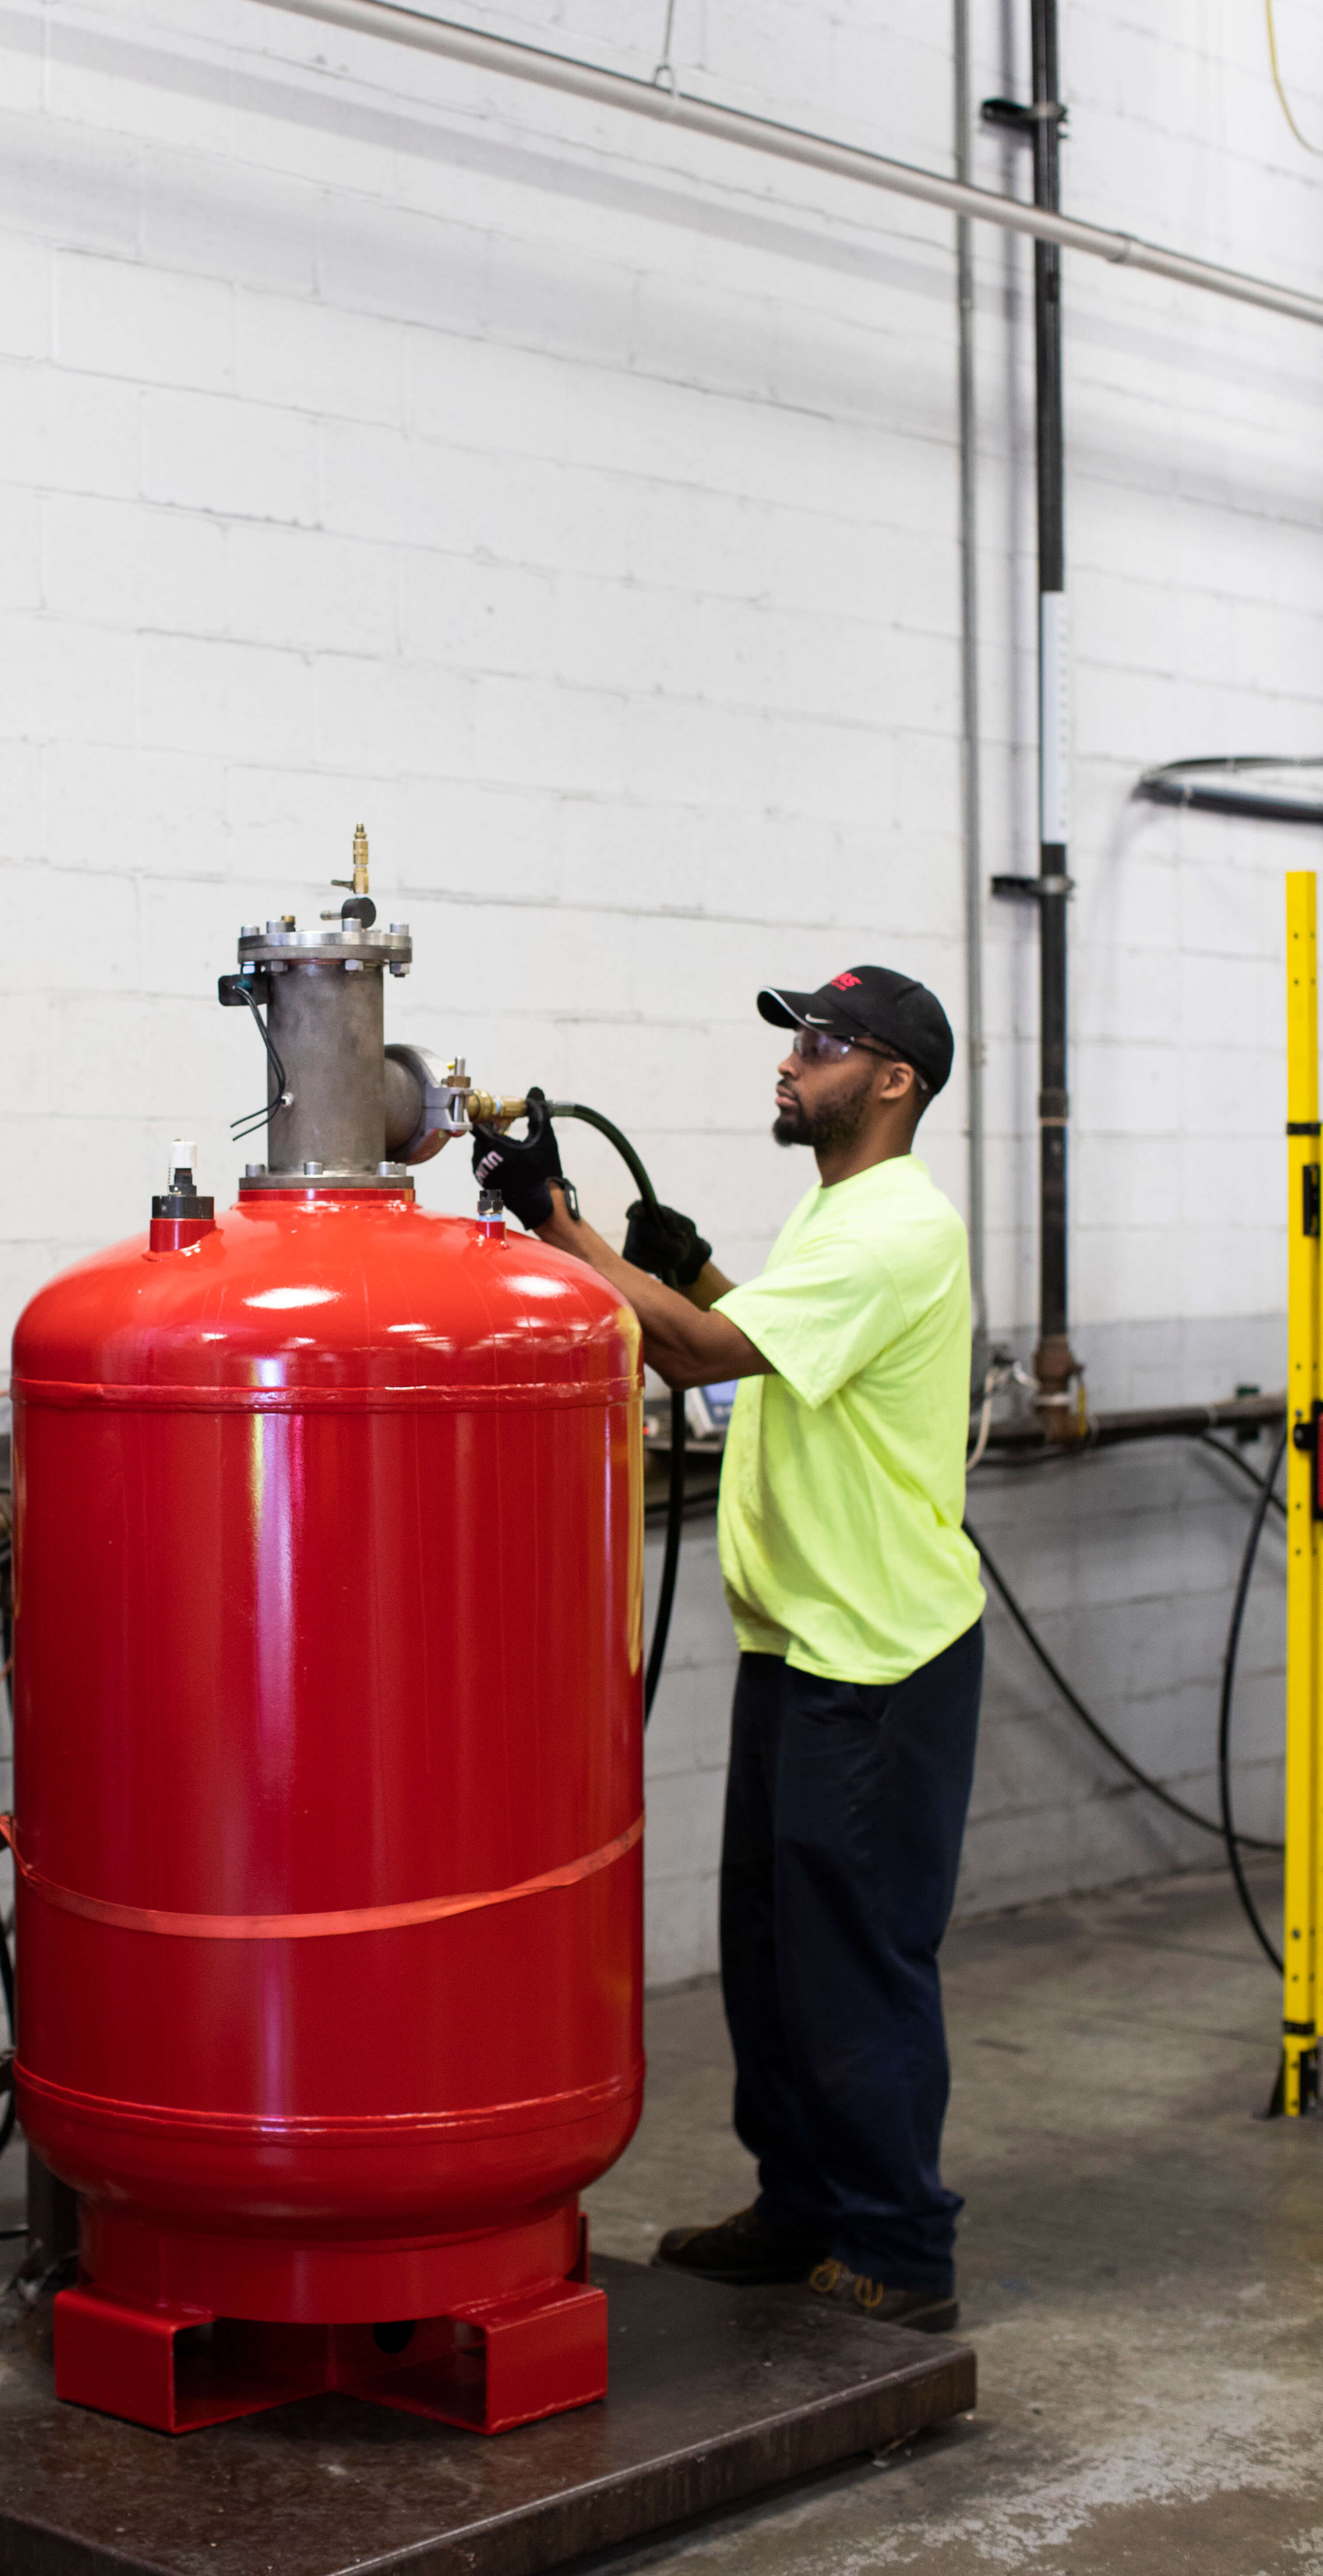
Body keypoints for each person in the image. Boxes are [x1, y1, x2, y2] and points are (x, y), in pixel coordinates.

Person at [472, 966, 983, 2335]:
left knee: (855, 1956)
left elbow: (697, 1359)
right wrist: (684, 1262)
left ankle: (899, 2248)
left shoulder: (894, 1228)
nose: (791, 1063)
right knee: (769, 1950)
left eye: (823, 1044)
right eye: (792, 1039)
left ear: (893, 1082)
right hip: (805, 1642)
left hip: (875, 1660)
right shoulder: (844, 1212)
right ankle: (803, 2205)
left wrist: (559, 1225)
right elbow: (756, 1335)